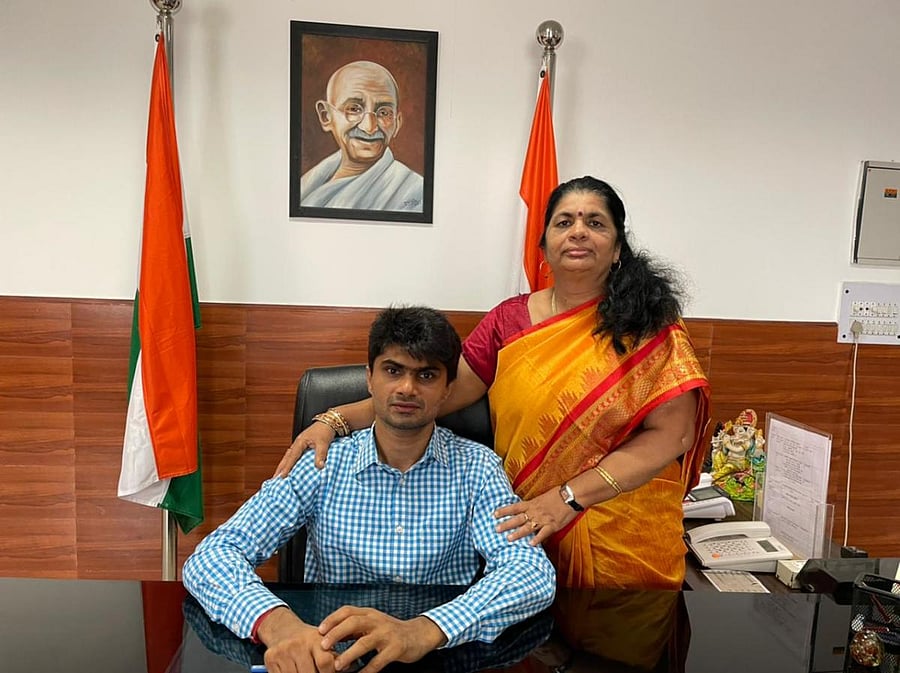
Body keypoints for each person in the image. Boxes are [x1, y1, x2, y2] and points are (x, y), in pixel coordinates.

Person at [278, 176, 711, 591]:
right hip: (525, 530)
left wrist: (569, 498)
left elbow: (675, 433)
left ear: (617, 249)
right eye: (564, 222)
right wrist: (334, 420)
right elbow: (428, 396)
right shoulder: (509, 321)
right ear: (543, 246)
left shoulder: (650, 326)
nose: (578, 232)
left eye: (595, 223)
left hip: (624, 537)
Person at [184, 306, 556, 673]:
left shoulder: (478, 468)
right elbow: (213, 555)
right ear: (369, 379)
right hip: (329, 655)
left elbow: (530, 573)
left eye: (426, 375)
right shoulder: (322, 463)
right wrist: (281, 628)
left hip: (439, 656)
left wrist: (426, 629)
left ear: (447, 391)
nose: (407, 388)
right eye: (393, 371)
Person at [300, 60, 424, 212]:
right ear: (326, 116)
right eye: (354, 109)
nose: (369, 127)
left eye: (384, 112)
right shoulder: (308, 182)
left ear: (396, 123)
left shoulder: (415, 193)